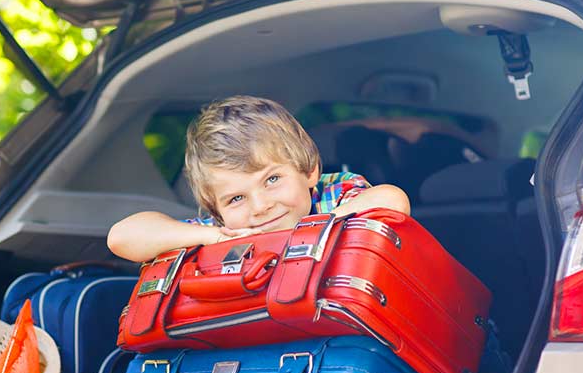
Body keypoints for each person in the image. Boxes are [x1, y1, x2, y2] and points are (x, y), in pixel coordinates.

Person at [107, 95, 410, 262]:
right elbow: (121, 237)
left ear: (309, 171)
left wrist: (316, 228)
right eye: (236, 198)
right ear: (217, 211)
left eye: (272, 179)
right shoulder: (223, 232)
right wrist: (210, 238)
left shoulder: (332, 195)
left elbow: (392, 201)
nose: (261, 206)